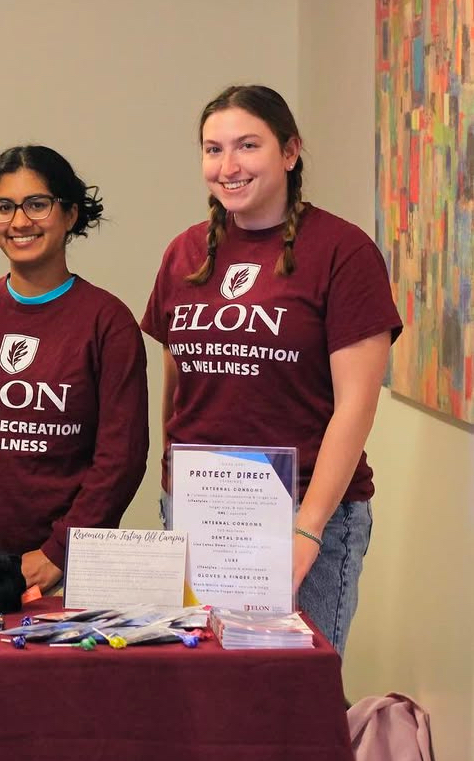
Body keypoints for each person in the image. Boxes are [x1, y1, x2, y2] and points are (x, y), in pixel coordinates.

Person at [140, 85, 402, 657]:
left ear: (289, 151)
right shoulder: (184, 253)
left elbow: (356, 407)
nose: (228, 166)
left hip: (303, 514)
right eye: (213, 149)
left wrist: (308, 530)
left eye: (247, 146)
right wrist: (172, 484)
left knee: (290, 697)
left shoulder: (343, 252)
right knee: (199, 691)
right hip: (199, 514)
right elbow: (176, 382)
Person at [0, 145, 149, 596]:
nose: (19, 221)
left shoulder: (107, 322)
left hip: (70, 572)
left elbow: (121, 458)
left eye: (37, 204)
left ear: (71, 214)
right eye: (4, 207)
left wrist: (58, 552)